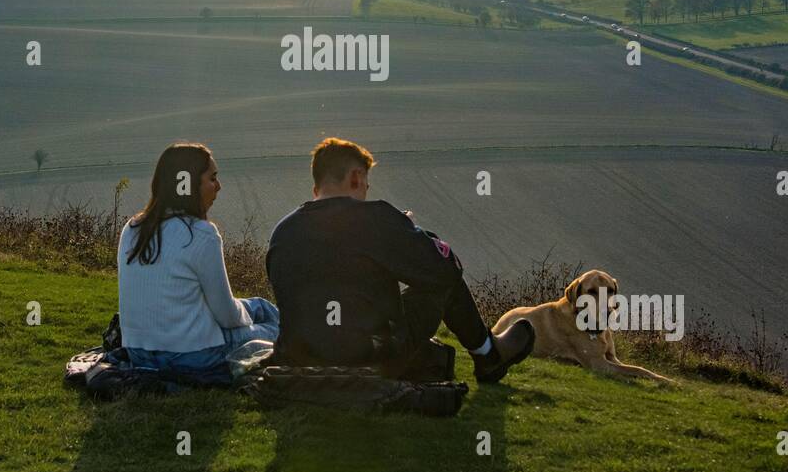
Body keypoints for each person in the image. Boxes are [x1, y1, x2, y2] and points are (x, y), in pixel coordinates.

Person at [266, 137, 534, 383]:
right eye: (366, 186)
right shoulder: (375, 219)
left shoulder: (283, 231)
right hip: (369, 357)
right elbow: (445, 269)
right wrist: (412, 233)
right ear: (356, 178)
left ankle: (487, 352)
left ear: (316, 188)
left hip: (299, 356)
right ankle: (488, 355)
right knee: (442, 278)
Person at [116, 142, 279, 379]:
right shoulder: (201, 234)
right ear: (190, 184)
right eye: (212, 178)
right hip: (192, 355)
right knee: (276, 328)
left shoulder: (132, 229)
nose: (219, 186)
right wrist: (245, 321)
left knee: (261, 306)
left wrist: (244, 311)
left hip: (138, 352)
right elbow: (226, 315)